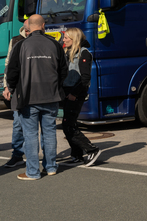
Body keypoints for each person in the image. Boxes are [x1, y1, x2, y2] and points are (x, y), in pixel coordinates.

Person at [5, 14, 67, 180]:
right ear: (43, 25)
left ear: (28, 27)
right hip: (51, 96)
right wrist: (56, 87)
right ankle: (51, 167)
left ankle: (33, 171)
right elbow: (64, 71)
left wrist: (11, 88)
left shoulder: (21, 45)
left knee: (30, 135)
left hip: (28, 98)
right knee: (49, 132)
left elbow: (12, 73)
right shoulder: (55, 44)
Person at [61, 28, 100, 166]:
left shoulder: (84, 54)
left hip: (75, 95)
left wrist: (74, 94)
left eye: (66, 38)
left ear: (74, 39)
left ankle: (92, 150)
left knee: (69, 126)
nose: (64, 40)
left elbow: (85, 78)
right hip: (67, 93)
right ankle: (76, 155)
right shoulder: (68, 52)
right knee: (67, 126)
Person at [2, 20, 29, 168]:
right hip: (19, 90)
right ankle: (17, 154)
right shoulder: (16, 41)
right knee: (18, 123)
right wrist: (6, 86)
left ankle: (48, 158)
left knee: (43, 126)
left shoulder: (43, 39)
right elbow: (9, 64)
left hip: (37, 90)